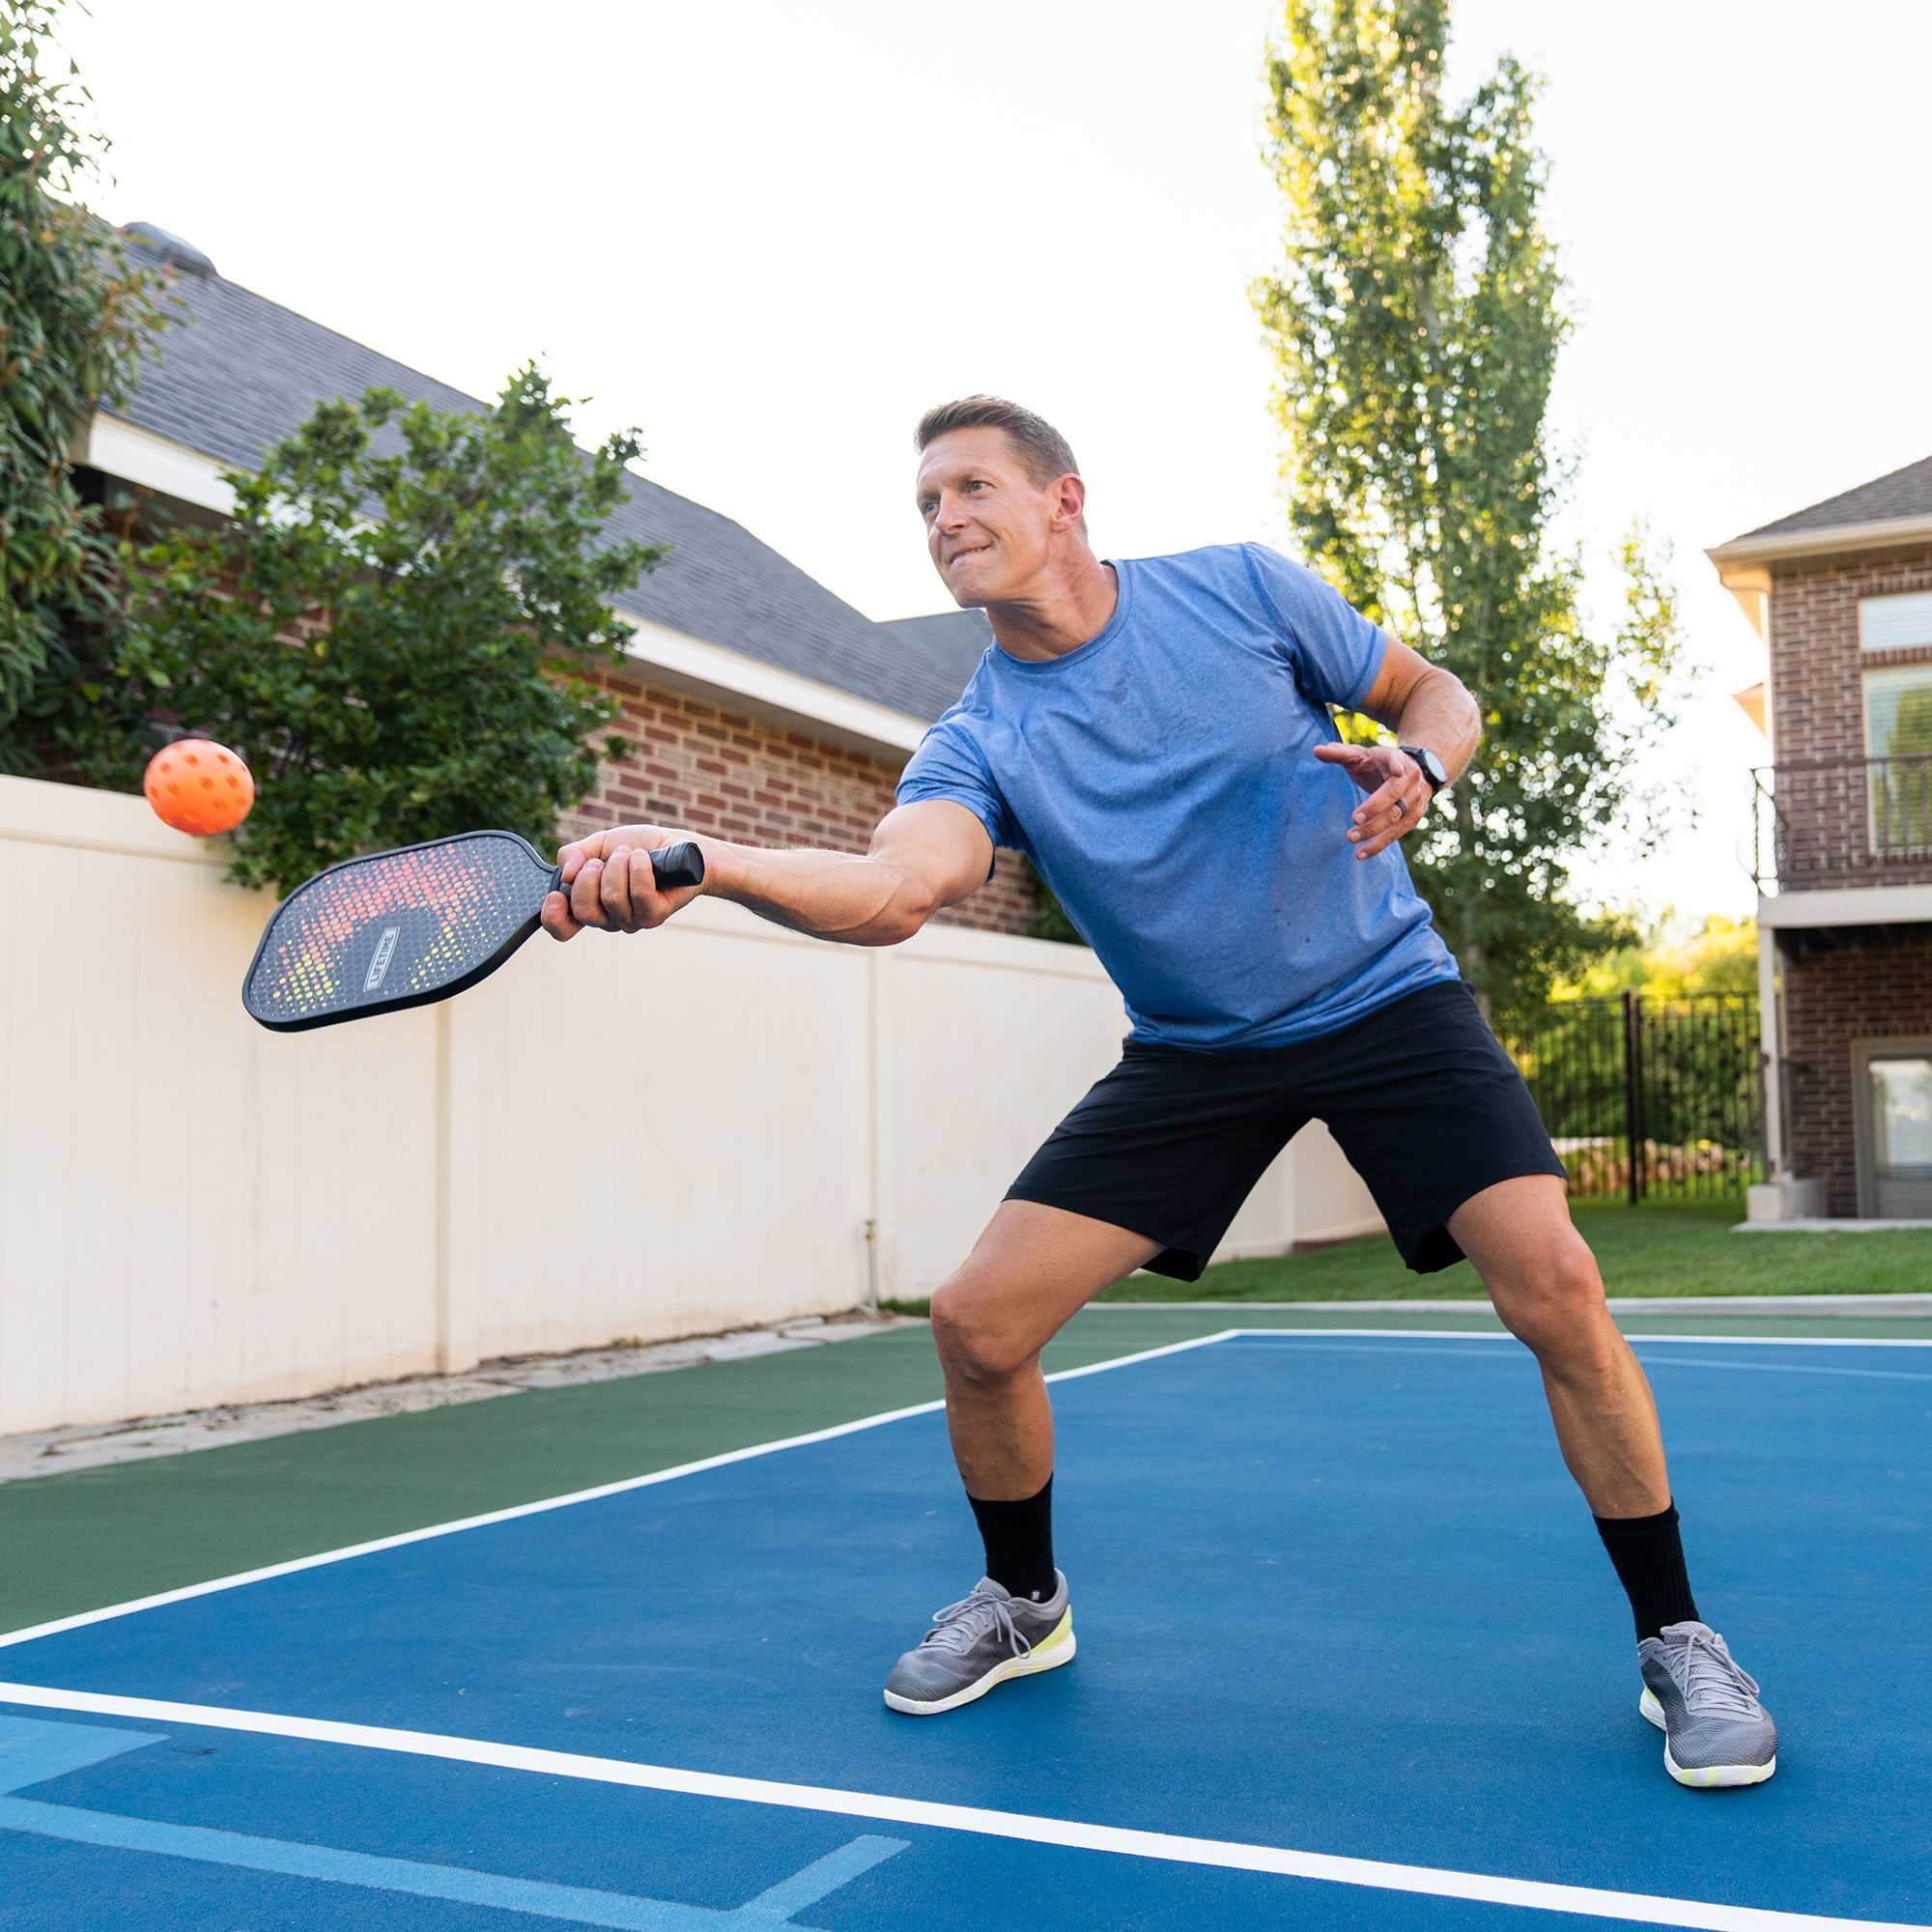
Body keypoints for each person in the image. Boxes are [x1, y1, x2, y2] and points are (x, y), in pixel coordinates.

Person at [539, 395, 1776, 1790]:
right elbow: (899, 890)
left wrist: (1422, 764)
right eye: (926, 506)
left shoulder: (1240, 591)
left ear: (1065, 498)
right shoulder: (981, 735)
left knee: (1553, 1279)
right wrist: (706, 859)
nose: (945, 521)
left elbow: (1438, 695)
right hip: (1195, 1052)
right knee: (976, 1323)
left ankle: (1678, 1638)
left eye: (970, 488)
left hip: (1383, 998)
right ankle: (1024, 1601)